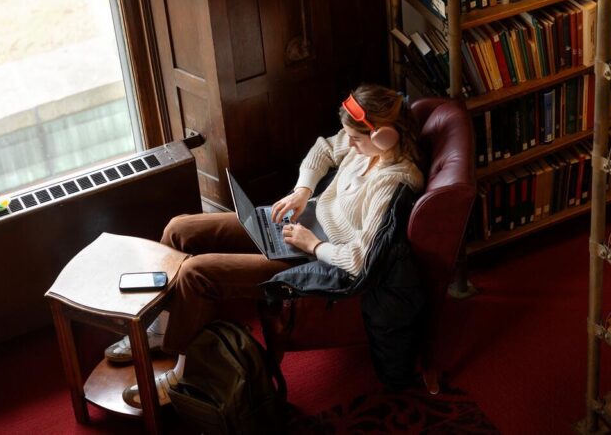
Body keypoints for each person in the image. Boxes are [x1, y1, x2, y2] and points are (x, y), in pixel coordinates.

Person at [108, 84, 425, 407]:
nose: (349, 144)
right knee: (179, 229)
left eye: (355, 139)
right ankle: (161, 329)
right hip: (303, 226)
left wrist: (313, 245)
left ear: (384, 137)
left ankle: (182, 374)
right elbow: (324, 148)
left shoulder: (393, 181)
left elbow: (360, 260)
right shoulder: (366, 143)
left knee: (196, 273)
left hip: (316, 258)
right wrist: (303, 190)